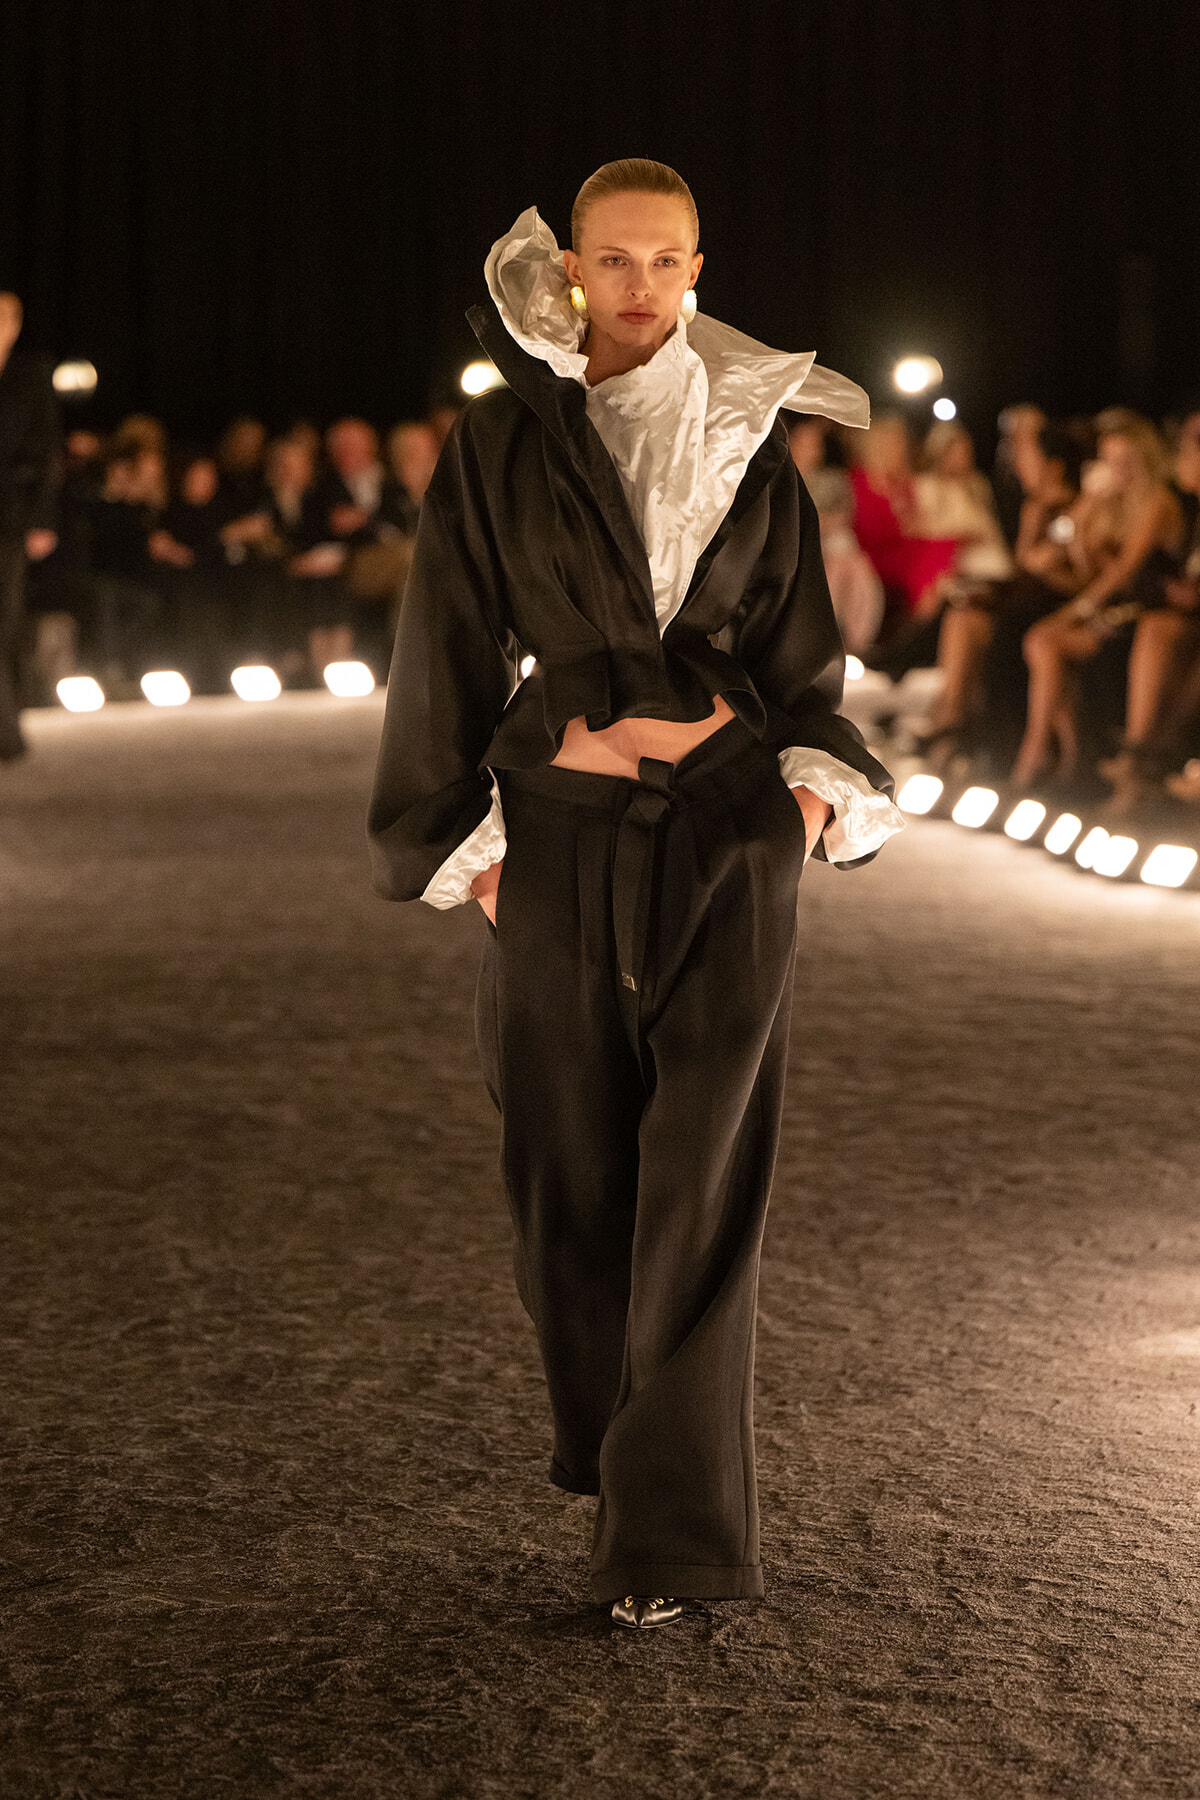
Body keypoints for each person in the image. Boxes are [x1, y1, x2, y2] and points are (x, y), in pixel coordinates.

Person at [369, 160, 903, 1631]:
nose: (642, 285)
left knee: (703, 1186)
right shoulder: (496, 446)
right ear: (571, 272)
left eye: (668, 261)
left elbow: (805, 663)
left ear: (695, 267)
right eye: (615, 259)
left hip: (730, 836)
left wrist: (800, 802)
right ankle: (615, 1455)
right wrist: (461, 843)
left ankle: (669, 1536)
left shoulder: (755, 443)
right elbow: (446, 647)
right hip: (553, 835)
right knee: (571, 1183)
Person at [1012, 411, 1183, 789]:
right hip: (1114, 613)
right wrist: (1087, 507)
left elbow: (1124, 572)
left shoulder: (1157, 501)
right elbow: (1082, 569)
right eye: (1108, 460)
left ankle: (1040, 756)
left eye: (1124, 462)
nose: (1115, 469)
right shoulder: (1110, 504)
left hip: (1150, 613)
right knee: (1040, 643)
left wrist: (1076, 612)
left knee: (1045, 638)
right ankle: (1063, 757)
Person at [0, 290, 60, 759]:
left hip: (12, 514)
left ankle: (7, 733)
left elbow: (46, 451)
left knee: (5, 620)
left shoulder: (31, 374)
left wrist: (41, 519)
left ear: (16, 325)